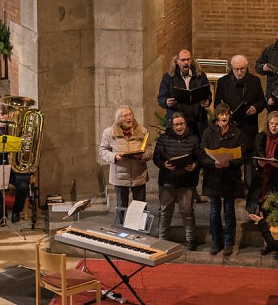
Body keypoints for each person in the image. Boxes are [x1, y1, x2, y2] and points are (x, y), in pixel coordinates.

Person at [199, 103, 245, 256]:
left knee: (229, 211)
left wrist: (229, 162)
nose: (224, 117)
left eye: (226, 114)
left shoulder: (237, 133)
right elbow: (202, 154)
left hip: (230, 177)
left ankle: (228, 242)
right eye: (221, 114)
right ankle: (215, 241)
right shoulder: (208, 132)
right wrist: (213, 163)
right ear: (217, 117)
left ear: (229, 116)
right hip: (213, 177)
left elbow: (242, 155)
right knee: (214, 212)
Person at [214, 54, 265, 189]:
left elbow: (261, 101)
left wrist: (256, 107)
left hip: (248, 126)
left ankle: (249, 187)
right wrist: (225, 113)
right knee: (231, 158)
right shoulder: (223, 82)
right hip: (230, 127)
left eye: (242, 69)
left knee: (248, 158)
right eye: (236, 69)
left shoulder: (255, 81)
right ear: (232, 68)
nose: (239, 72)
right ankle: (232, 185)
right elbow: (217, 105)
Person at [152, 111, 199, 250]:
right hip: (168, 181)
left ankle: (190, 239)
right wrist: (163, 165)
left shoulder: (193, 138)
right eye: (176, 124)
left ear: (186, 124)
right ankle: (162, 238)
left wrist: (194, 165)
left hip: (186, 181)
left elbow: (198, 157)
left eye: (182, 124)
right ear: (171, 125)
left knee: (187, 212)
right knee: (165, 212)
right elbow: (156, 158)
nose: (179, 127)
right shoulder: (163, 138)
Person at [98, 105, 152, 220]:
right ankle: (120, 233)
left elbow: (149, 150)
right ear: (119, 119)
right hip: (120, 175)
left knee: (140, 206)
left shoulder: (142, 131)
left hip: (139, 174)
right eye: (125, 115)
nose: (129, 117)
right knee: (121, 207)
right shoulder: (109, 132)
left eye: (130, 114)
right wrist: (114, 156)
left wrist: (142, 156)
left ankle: (140, 232)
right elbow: (103, 150)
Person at [0, 102, 33, 225]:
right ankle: (2, 214)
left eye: (3, 114)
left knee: (23, 185)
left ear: (8, 115)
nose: (1, 117)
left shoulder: (16, 129)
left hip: (14, 167)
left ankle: (17, 211)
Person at [157, 49, 212, 135]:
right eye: (183, 60)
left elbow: (208, 93)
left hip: (197, 123)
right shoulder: (168, 77)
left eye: (188, 59)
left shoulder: (200, 76)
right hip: (178, 123)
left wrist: (207, 101)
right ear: (177, 61)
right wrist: (166, 102)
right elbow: (161, 98)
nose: (186, 62)